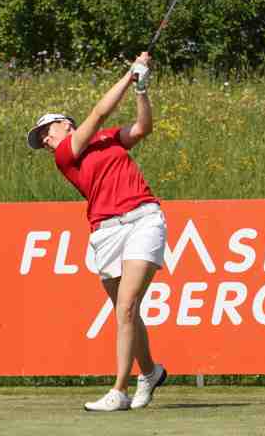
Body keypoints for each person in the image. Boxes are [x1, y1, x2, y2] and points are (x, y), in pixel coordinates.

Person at [27, 52, 167, 411]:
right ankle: (149, 372)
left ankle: (119, 391)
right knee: (126, 312)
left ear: (65, 125)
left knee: (126, 307)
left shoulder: (107, 139)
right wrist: (129, 72)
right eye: (41, 137)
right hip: (105, 232)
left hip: (143, 218)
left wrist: (141, 87)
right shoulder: (65, 156)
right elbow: (100, 112)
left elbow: (142, 128)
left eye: (47, 131)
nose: (44, 139)